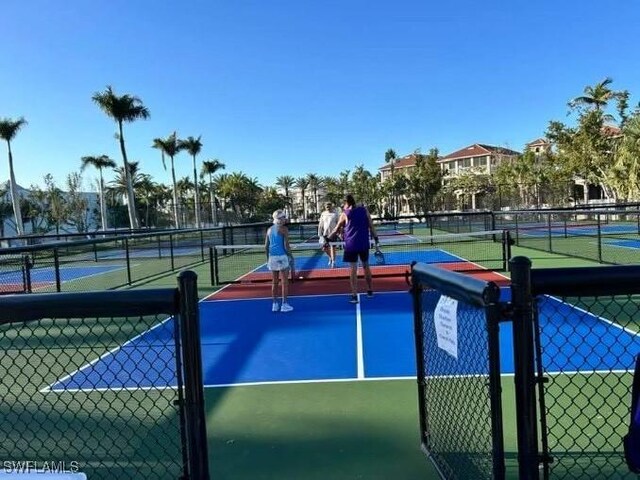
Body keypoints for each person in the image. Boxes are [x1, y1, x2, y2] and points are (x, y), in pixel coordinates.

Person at [328, 194, 379, 304]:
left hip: (351, 245)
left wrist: (327, 239)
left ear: (346, 203)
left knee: (353, 270)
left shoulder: (344, 214)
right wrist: (376, 238)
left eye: (343, 204)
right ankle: (370, 291)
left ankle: (354, 296)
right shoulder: (364, 210)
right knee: (366, 266)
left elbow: (336, 229)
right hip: (363, 244)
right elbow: (371, 226)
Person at [265, 210, 294, 312]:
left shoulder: (269, 230)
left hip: (272, 258)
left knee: (275, 282)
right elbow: (286, 245)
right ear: (279, 219)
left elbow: (266, 247)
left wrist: (268, 259)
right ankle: (284, 304)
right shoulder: (284, 229)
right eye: (283, 217)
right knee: (284, 282)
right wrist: (291, 256)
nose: (284, 219)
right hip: (282, 257)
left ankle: (274, 304)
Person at [317, 202, 340, 267]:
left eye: (329, 206)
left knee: (333, 248)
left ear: (331, 206)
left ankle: (333, 262)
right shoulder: (323, 214)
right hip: (325, 234)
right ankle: (331, 257)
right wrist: (319, 234)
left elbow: (338, 223)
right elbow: (320, 224)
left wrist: (339, 232)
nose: (328, 207)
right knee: (324, 248)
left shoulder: (335, 214)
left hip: (333, 233)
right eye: (327, 206)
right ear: (325, 207)